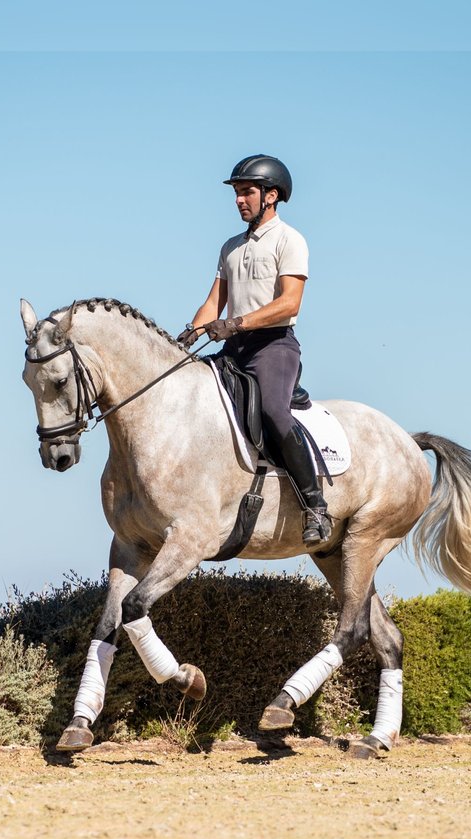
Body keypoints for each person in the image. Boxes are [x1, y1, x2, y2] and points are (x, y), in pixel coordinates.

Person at [177, 155, 332, 546]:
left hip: (274, 347)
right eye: (237, 193)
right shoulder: (230, 247)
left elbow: (289, 304)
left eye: (246, 192)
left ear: (271, 196)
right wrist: (188, 334)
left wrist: (236, 322)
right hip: (234, 347)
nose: (239, 200)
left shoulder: (289, 240)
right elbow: (213, 303)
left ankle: (316, 506)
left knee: (273, 413)